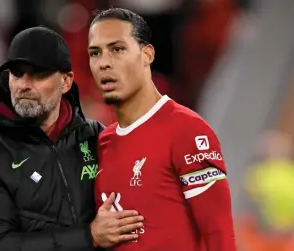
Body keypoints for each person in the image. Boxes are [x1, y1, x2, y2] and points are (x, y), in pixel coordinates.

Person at [0, 26, 144, 251]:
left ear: (66, 81)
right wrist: (88, 236)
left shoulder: (96, 137)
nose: (24, 84)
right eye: (17, 73)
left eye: (38, 74)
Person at [87, 8, 236, 251]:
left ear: (147, 54)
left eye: (117, 49)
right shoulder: (103, 142)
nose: (104, 63)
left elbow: (218, 233)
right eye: (95, 53)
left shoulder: (187, 131)